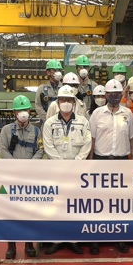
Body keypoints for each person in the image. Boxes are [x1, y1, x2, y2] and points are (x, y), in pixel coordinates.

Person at [89, 78, 133, 254]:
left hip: (121, 162)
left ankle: (119, 238)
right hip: (101, 161)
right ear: (106, 95)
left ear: (120, 95)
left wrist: (132, 160)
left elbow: (132, 137)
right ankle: (96, 239)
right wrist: (89, 163)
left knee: (119, 202)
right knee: (99, 202)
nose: (115, 96)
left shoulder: (128, 114)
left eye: (118, 94)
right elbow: (92, 140)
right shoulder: (96, 114)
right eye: (111, 94)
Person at [43, 85, 92, 255]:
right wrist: (62, 164)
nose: (66, 103)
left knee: (75, 206)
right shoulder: (50, 123)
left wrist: (76, 163)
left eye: (69, 100)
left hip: (77, 171)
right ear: (58, 102)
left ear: (74, 102)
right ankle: (56, 240)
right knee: (57, 206)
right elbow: (48, 146)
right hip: (57, 171)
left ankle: (73, 240)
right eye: (62, 100)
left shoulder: (83, 122)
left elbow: (87, 144)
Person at [0, 95, 44, 259]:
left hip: (31, 177)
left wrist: (31, 164)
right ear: (14, 113)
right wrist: (15, 166)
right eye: (19, 110)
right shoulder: (6, 130)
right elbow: (3, 150)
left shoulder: (37, 131)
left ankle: (29, 244)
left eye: (25, 110)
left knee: (29, 211)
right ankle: (11, 246)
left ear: (30, 112)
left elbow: (40, 150)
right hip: (12, 176)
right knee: (12, 212)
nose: (23, 113)